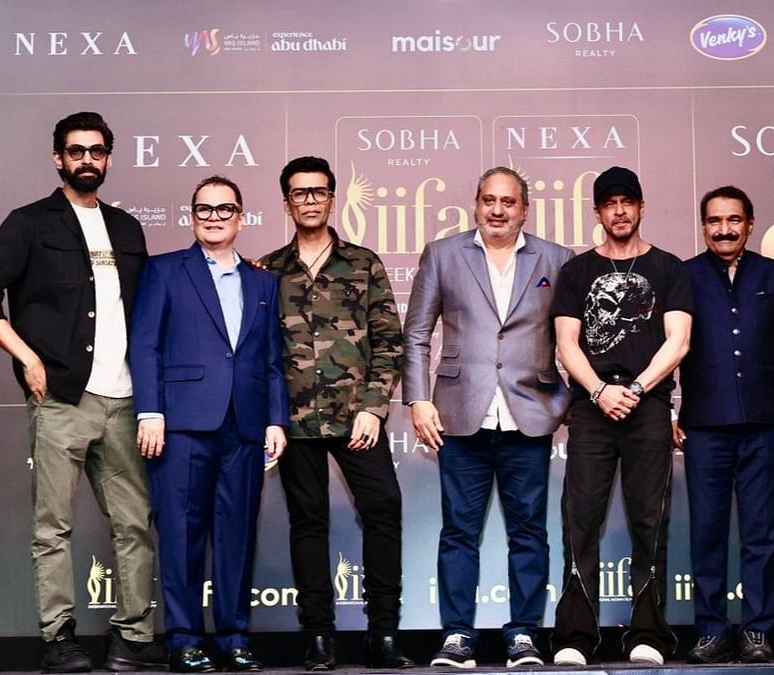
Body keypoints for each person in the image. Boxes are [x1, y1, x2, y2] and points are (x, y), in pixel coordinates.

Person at [0, 111, 167, 673]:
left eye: (97, 151)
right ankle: (58, 639)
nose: (87, 160)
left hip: (124, 400)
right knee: (53, 525)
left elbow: (150, 310)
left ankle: (133, 637)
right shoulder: (29, 223)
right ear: (58, 158)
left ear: (108, 158)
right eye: (76, 151)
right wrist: (27, 357)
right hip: (61, 399)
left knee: (133, 522)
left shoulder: (127, 228)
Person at [403, 167, 572, 668]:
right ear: (475, 204)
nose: (498, 210)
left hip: (530, 415)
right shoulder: (443, 254)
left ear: (524, 208)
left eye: (509, 202)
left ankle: (523, 633)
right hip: (459, 414)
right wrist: (418, 399)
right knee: (458, 531)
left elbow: (574, 339)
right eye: (489, 200)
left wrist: (559, 404)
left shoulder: (558, 259)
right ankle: (457, 635)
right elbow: (415, 334)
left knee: (529, 532)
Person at [130, 175, 288, 673]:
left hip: (244, 424)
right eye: (204, 209)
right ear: (192, 216)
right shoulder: (164, 271)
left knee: (237, 533)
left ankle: (235, 637)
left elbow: (271, 361)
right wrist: (150, 411)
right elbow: (146, 346)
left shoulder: (263, 281)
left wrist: (276, 421)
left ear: (241, 217)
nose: (214, 217)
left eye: (225, 209)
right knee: (180, 531)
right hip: (180, 423)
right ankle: (183, 638)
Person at [260, 156, 411, 671]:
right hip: (295, 421)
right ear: (287, 203)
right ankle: (318, 636)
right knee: (308, 522)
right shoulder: (266, 271)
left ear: (332, 197)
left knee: (384, 510)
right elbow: (258, 354)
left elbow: (391, 343)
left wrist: (374, 408)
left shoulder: (363, 263)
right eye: (299, 193)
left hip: (357, 419)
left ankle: (383, 635)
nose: (309, 200)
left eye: (318, 191)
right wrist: (272, 417)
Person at [549, 166, 692, 667]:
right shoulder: (577, 272)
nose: (619, 211)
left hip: (648, 407)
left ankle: (647, 634)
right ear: (598, 213)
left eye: (627, 202)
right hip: (590, 411)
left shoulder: (669, 268)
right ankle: (575, 637)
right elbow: (567, 344)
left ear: (640, 207)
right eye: (609, 204)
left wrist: (633, 388)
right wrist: (599, 392)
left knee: (650, 520)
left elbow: (679, 341)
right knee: (580, 520)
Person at [675, 185, 774, 664]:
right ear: (704, 226)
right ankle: (711, 629)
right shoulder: (683, 276)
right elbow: (670, 344)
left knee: (761, 531)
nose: (724, 229)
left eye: (734, 220)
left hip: (764, 421)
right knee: (707, 530)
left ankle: (758, 630)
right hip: (703, 424)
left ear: (750, 224)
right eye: (714, 221)